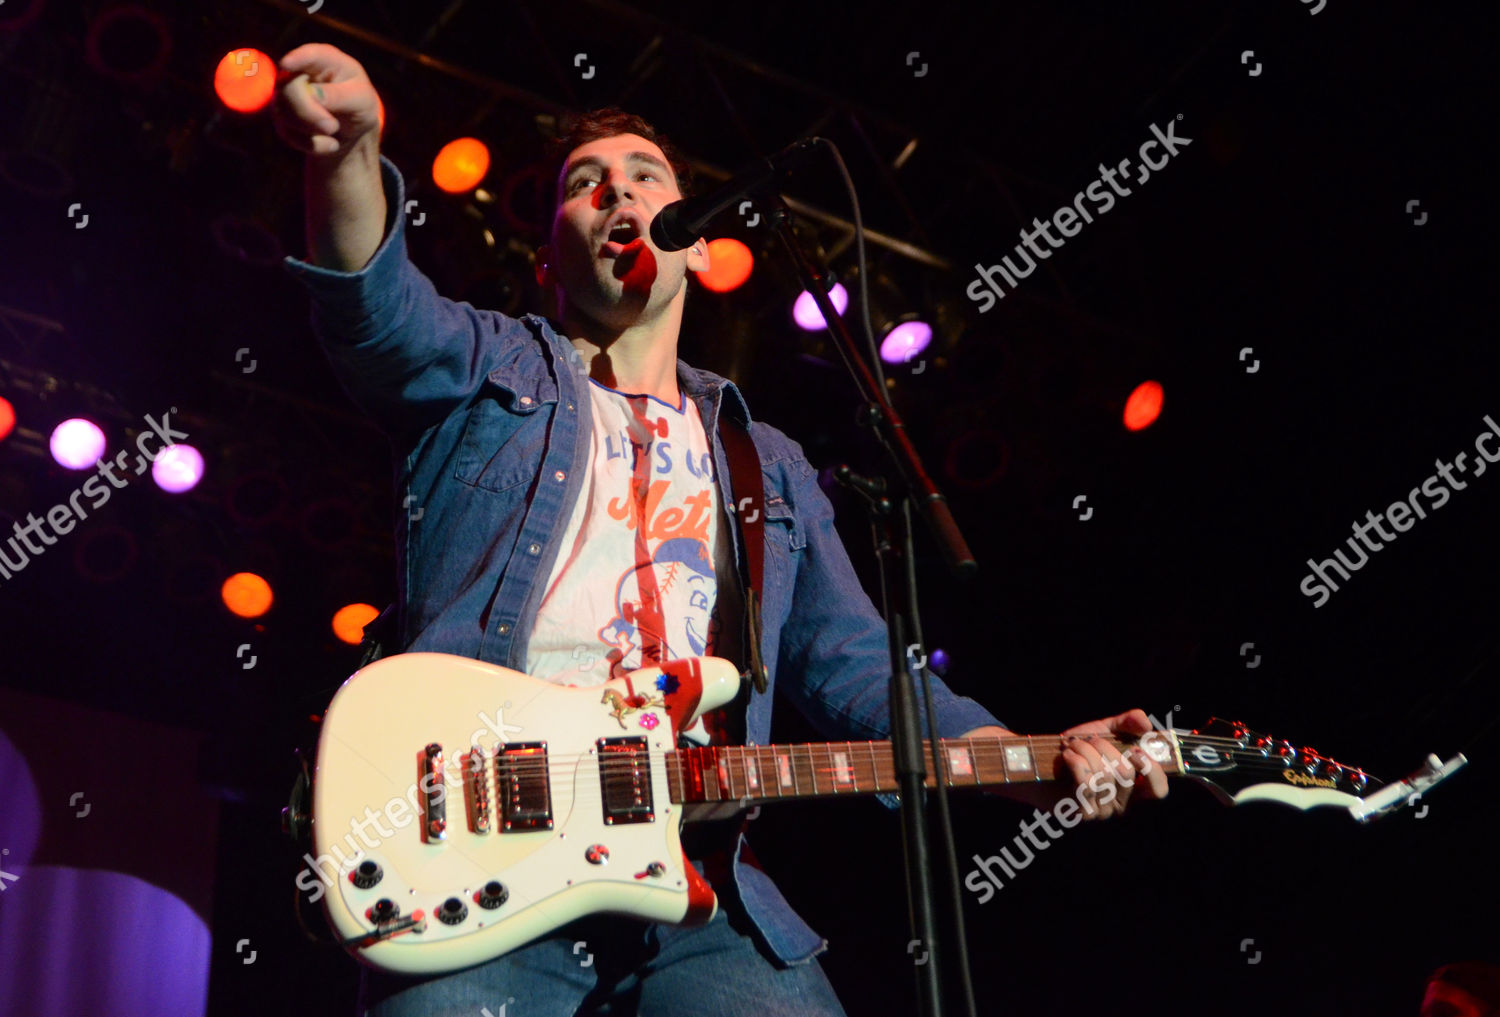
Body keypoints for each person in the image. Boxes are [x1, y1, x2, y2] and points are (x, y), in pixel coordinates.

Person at [274, 41, 1169, 1017]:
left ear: (697, 241)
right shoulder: (494, 370)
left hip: (691, 881)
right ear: (548, 254)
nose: (621, 196)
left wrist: (1029, 762)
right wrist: (346, 156)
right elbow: (376, 311)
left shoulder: (768, 463)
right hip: (477, 843)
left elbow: (857, 670)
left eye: (645, 178)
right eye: (588, 185)